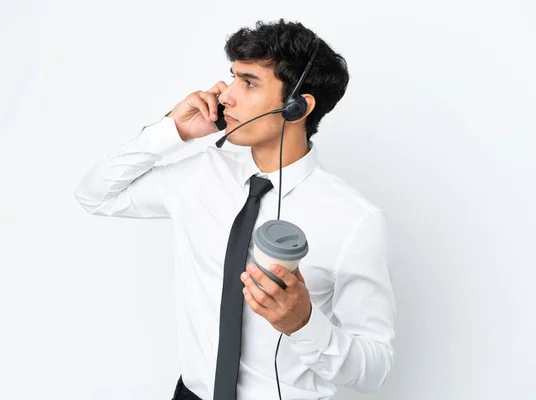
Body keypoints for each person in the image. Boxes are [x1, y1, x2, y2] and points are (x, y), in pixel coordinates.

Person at [74, 18, 395, 400]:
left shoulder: (355, 220)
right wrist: (171, 129)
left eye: (249, 82)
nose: (225, 95)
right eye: (233, 77)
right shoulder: (200, 173)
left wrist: (304, 324)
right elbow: (96, 195)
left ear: (297, 107)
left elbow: (375, 367)